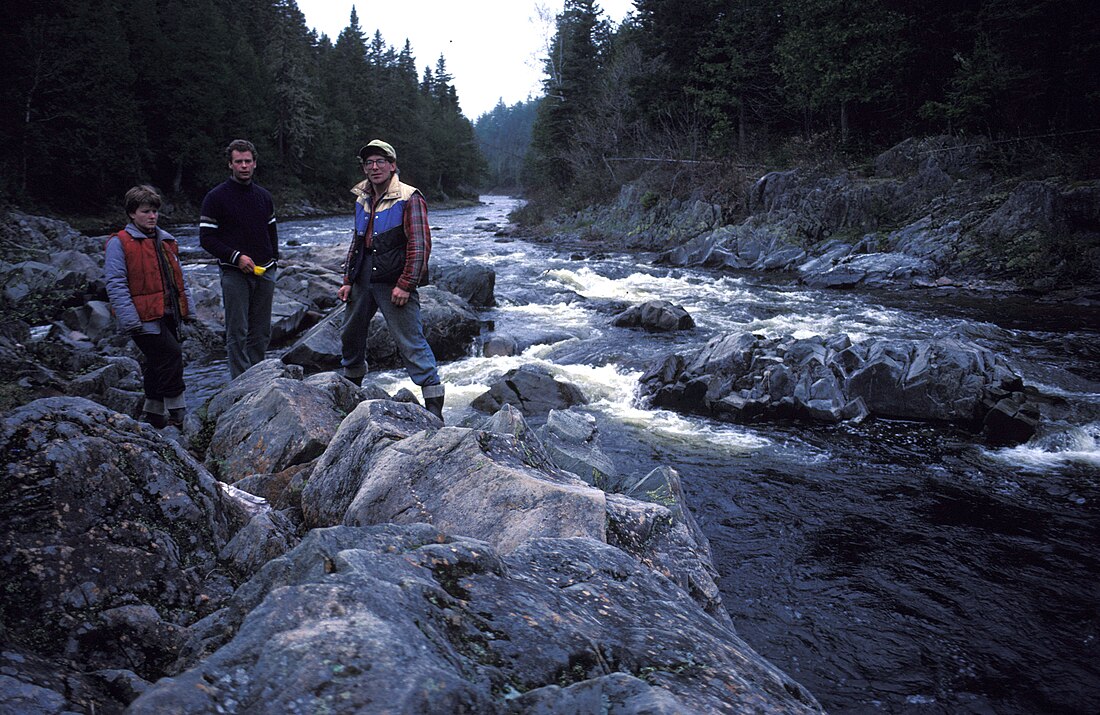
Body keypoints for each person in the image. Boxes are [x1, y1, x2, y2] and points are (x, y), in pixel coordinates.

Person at [338, 139, 445, 421]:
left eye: (380, 162)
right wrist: (348, 279)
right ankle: (351, 391)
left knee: (411, 341)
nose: (374, 167)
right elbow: (356, 241)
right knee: (350, 334)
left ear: (392, 166)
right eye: (369, 163)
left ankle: (434, 408)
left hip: (394, 281)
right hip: (362, 278)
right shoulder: (361, 198)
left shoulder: (410, 197)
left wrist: (406, 284)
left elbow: (420, 246)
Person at [104, 185, 192, 429]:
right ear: (132, 213)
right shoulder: (119, 243)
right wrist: (131, 320)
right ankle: (177, 414)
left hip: (167, 313)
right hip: (142, 318)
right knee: (172, 355)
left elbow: (179, 278)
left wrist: (188, 310)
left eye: (154, 211)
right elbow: (115, 284)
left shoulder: (165, 240)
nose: (152, 216)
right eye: (146, 211)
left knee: (155, 362)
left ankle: (153, 414)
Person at [199, 139, 279, 379]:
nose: (243, 166)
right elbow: (206, 238)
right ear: (230, 164)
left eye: (248, 161)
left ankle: (257, 376)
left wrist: (274, 259)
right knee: (237, 331)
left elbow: (272, 232)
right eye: (238, 161)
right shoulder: (215, 197)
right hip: (234, 272)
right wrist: (236, 257)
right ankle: (240, 383)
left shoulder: (264, 197)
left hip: (265, 271)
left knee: (261, 331)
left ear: (254, 164)